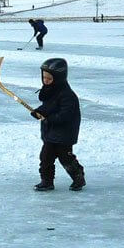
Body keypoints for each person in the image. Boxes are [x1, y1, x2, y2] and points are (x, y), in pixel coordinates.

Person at [30, 58, 84, 191]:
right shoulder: (50, 90)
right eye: (44, 77)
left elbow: (65, 115)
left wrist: (48, 119)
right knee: (45, 157)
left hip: (64, 134)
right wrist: (38, 112)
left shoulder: (67, 95)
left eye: (49, 78)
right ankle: (47, 181)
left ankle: (78, 177)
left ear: (59, 78)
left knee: (65, 158)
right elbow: (48, 107)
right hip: (51, 133)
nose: (45, 81)